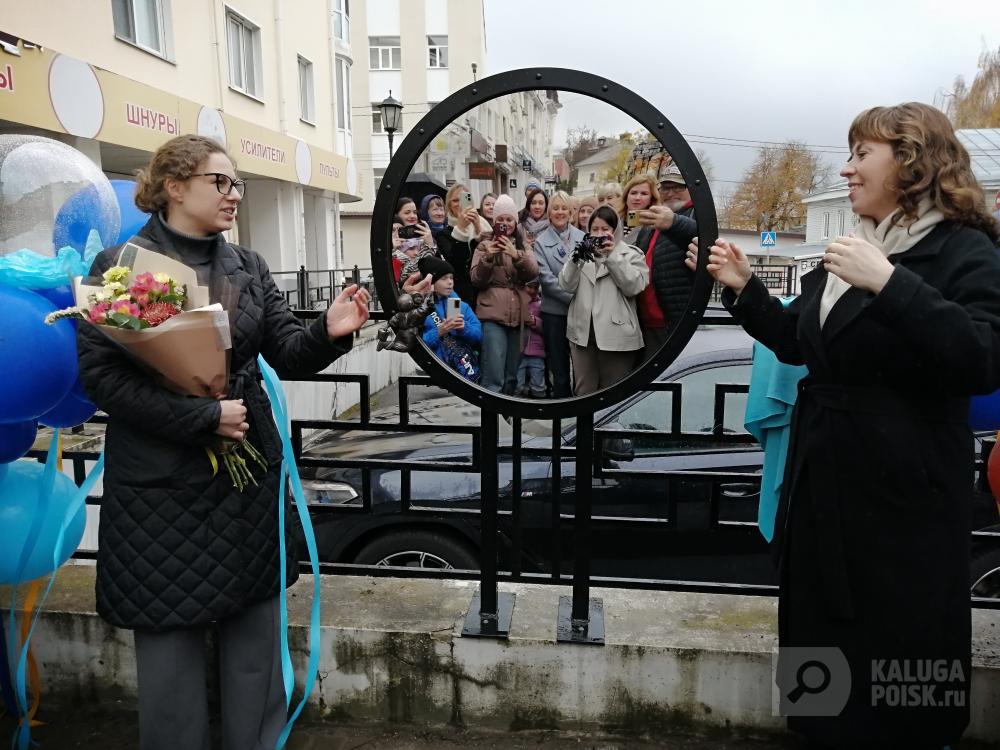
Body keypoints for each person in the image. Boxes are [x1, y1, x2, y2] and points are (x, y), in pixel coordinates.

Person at [685, 102, 1000, 749]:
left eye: (862, 155)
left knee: (905, 668)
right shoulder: (852, 250)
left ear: (912, 162)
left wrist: (890, 284)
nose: (847, 170)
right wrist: (744, 288)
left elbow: (982, 358)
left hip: (905, 508)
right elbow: (798, 343)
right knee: (819, 662)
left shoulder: (964, 249)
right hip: (824, 493)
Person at [75, 134, 371, 750]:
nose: (234, 194)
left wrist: (328, 331)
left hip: (246, 479)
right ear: (174, 186)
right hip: (160, 488)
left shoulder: (249, 266)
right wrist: (201, 417)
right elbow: (104, 379)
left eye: (237, 183)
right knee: (168, 652)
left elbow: (286, 349)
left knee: (255, 640)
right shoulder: (119, 266)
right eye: (221, 182)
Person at [559, 204, 648, 395]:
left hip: (617, 335)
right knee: (583, 391)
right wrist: (576, 259)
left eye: (605, 229)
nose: (599, 234)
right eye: (595, 229)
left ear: (615, 230)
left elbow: (634, 287)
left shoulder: (631, 254)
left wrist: (612, 256)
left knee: (614, 393)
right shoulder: (581, 253)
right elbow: (566, 285)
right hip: (583, 335)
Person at [470, 194, 539, 393]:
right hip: (492, 315)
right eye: (500, 219)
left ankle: (507, 411)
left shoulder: (522, 245)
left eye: (509, 219)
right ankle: (491, 412)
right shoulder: (484, 245)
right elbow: (476, 279)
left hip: (518, 316)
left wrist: (516, 255)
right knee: (494, 374)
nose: (505, 223)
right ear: (494, 222)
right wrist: (488, 258)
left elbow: (533, 273)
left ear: (515, 222)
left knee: (512, 375)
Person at [632, 163, 697, 357]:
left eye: (678, 187)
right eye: (666, 188)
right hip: (647, 322)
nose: (671, 193)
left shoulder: (698, 215)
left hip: (673, 324)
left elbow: (705, 237)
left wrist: (674, 223)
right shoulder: (653, 222)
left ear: (691, 189)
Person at [534, 190, 583, 398]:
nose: (560, 212)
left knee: (582, 365)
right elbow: (546, 280)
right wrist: (574, 299)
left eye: (564, 208)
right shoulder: (540, 242)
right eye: (555, 208)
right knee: (559, 366)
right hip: (555, 313)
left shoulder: (582, 237)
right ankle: (562, 405)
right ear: (549, 213)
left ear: (570, 212)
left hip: (581, 313)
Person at [419, 255, 482, 367]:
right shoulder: (421, 308)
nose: (450, 282)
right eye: (444, 278)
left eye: (451, 278)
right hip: (432, 365)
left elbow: (479, 336)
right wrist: (439, 332)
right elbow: (416, 344)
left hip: (460, 367)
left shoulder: (461, 306)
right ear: (431, 282)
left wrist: (464, 328)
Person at [440, 184, 492, 304]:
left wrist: (478, 227)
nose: (460, 204)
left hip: (483, 292)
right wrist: (461, 229)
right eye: (455, 200)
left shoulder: (483, 224)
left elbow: (490, 254)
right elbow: (455, 264)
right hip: (458, 295)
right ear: (449, 205)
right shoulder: (443, 234)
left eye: (464, 199)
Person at [392, 196, 435, 283]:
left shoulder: (425, 237)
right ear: (396, 214)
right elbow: (410, 274)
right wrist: (429, 247)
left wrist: (430, 243)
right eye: (407, 213)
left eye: (415, 212)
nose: (412, 216)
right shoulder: (389, 242)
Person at [516, 278, 546, 398]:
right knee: (517, 385)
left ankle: (539, 405)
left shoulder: (541, 305)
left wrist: (534, 321)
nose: (532, 290)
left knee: (538, 385)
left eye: (535, 287)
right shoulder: (516, 303)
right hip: (519, 352)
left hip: (537, 352)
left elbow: (546, 328)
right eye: (529, 287)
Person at [615, 172, 660, 243]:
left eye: (644, 194)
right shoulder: (613, 220)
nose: (637, 198)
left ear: (651, 199)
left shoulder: (654, 227)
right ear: (626, 196)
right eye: (633, 193)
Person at [519, 187, 549, 252]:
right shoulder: (520, 228)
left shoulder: (552, 227)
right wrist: (524, 246)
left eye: (541, 203)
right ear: (529, 205)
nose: (537, 206)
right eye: (533, 203)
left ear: (546, 205)